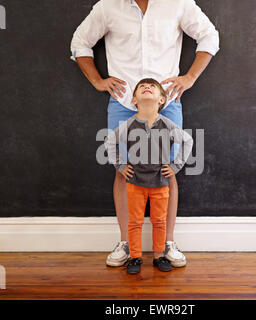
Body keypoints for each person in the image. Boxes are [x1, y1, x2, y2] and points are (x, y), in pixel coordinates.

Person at [70, 0, 220, 267]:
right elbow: (80, 42)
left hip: (168, 102)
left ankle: (168, 244)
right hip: (124, 102)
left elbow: (210, 36)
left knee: (168, 169)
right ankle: (126, 243)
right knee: (122, 169)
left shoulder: (179, 4)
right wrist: (97, 81)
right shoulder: (107, 6)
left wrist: (190, 77)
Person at [104, 78, 193, 274]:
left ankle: (159, 255)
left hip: (160, 183)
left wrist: (176, 165)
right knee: (134, 221)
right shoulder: (128, 124)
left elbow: (188, 140)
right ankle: (135, 257)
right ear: (134, 100)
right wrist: (120, 164)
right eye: (142, 87)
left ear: (162, 100)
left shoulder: (167, 125)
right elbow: (110, 141)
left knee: (159, 220)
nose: (147, 87)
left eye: (152, 86)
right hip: (135, 183)